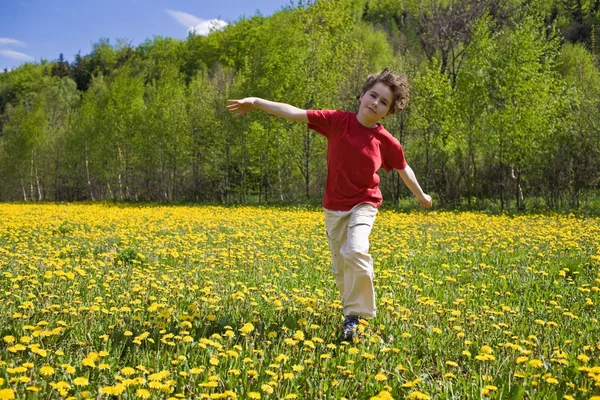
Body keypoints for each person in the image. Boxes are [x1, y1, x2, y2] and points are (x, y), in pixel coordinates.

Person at [227, 68, 432, 341]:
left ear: (388, 112)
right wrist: (256, 102)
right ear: (361, 96)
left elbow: (405, 169)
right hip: (333, 207)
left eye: (384, 102)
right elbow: (293, 112)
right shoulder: (336, 121)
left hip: (364, 203)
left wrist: (421, 196)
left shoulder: (386, 141)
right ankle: (351, 317)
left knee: (356, 249)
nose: (376, 103)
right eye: (373, 95)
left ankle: (359, 314)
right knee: (341, 266)